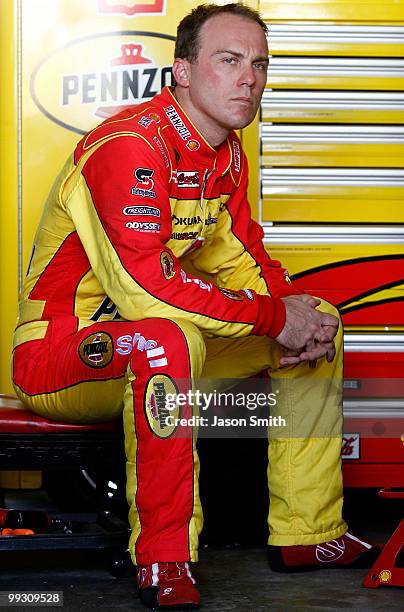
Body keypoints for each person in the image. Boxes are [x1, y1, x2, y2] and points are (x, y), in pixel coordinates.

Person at [12, 3, 379, 610]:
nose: (249, 79)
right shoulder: (127, 147)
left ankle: (308, 533)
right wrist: (270, 317)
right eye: (229, 60)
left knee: (318, 318)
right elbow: (145, 287)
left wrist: (290, 309)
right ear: (182, 70)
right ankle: (163, 557)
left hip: (157, 346)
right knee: (166, 337)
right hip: (60, 355)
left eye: (259, 64)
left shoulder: (225, 153)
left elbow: (242, 259)